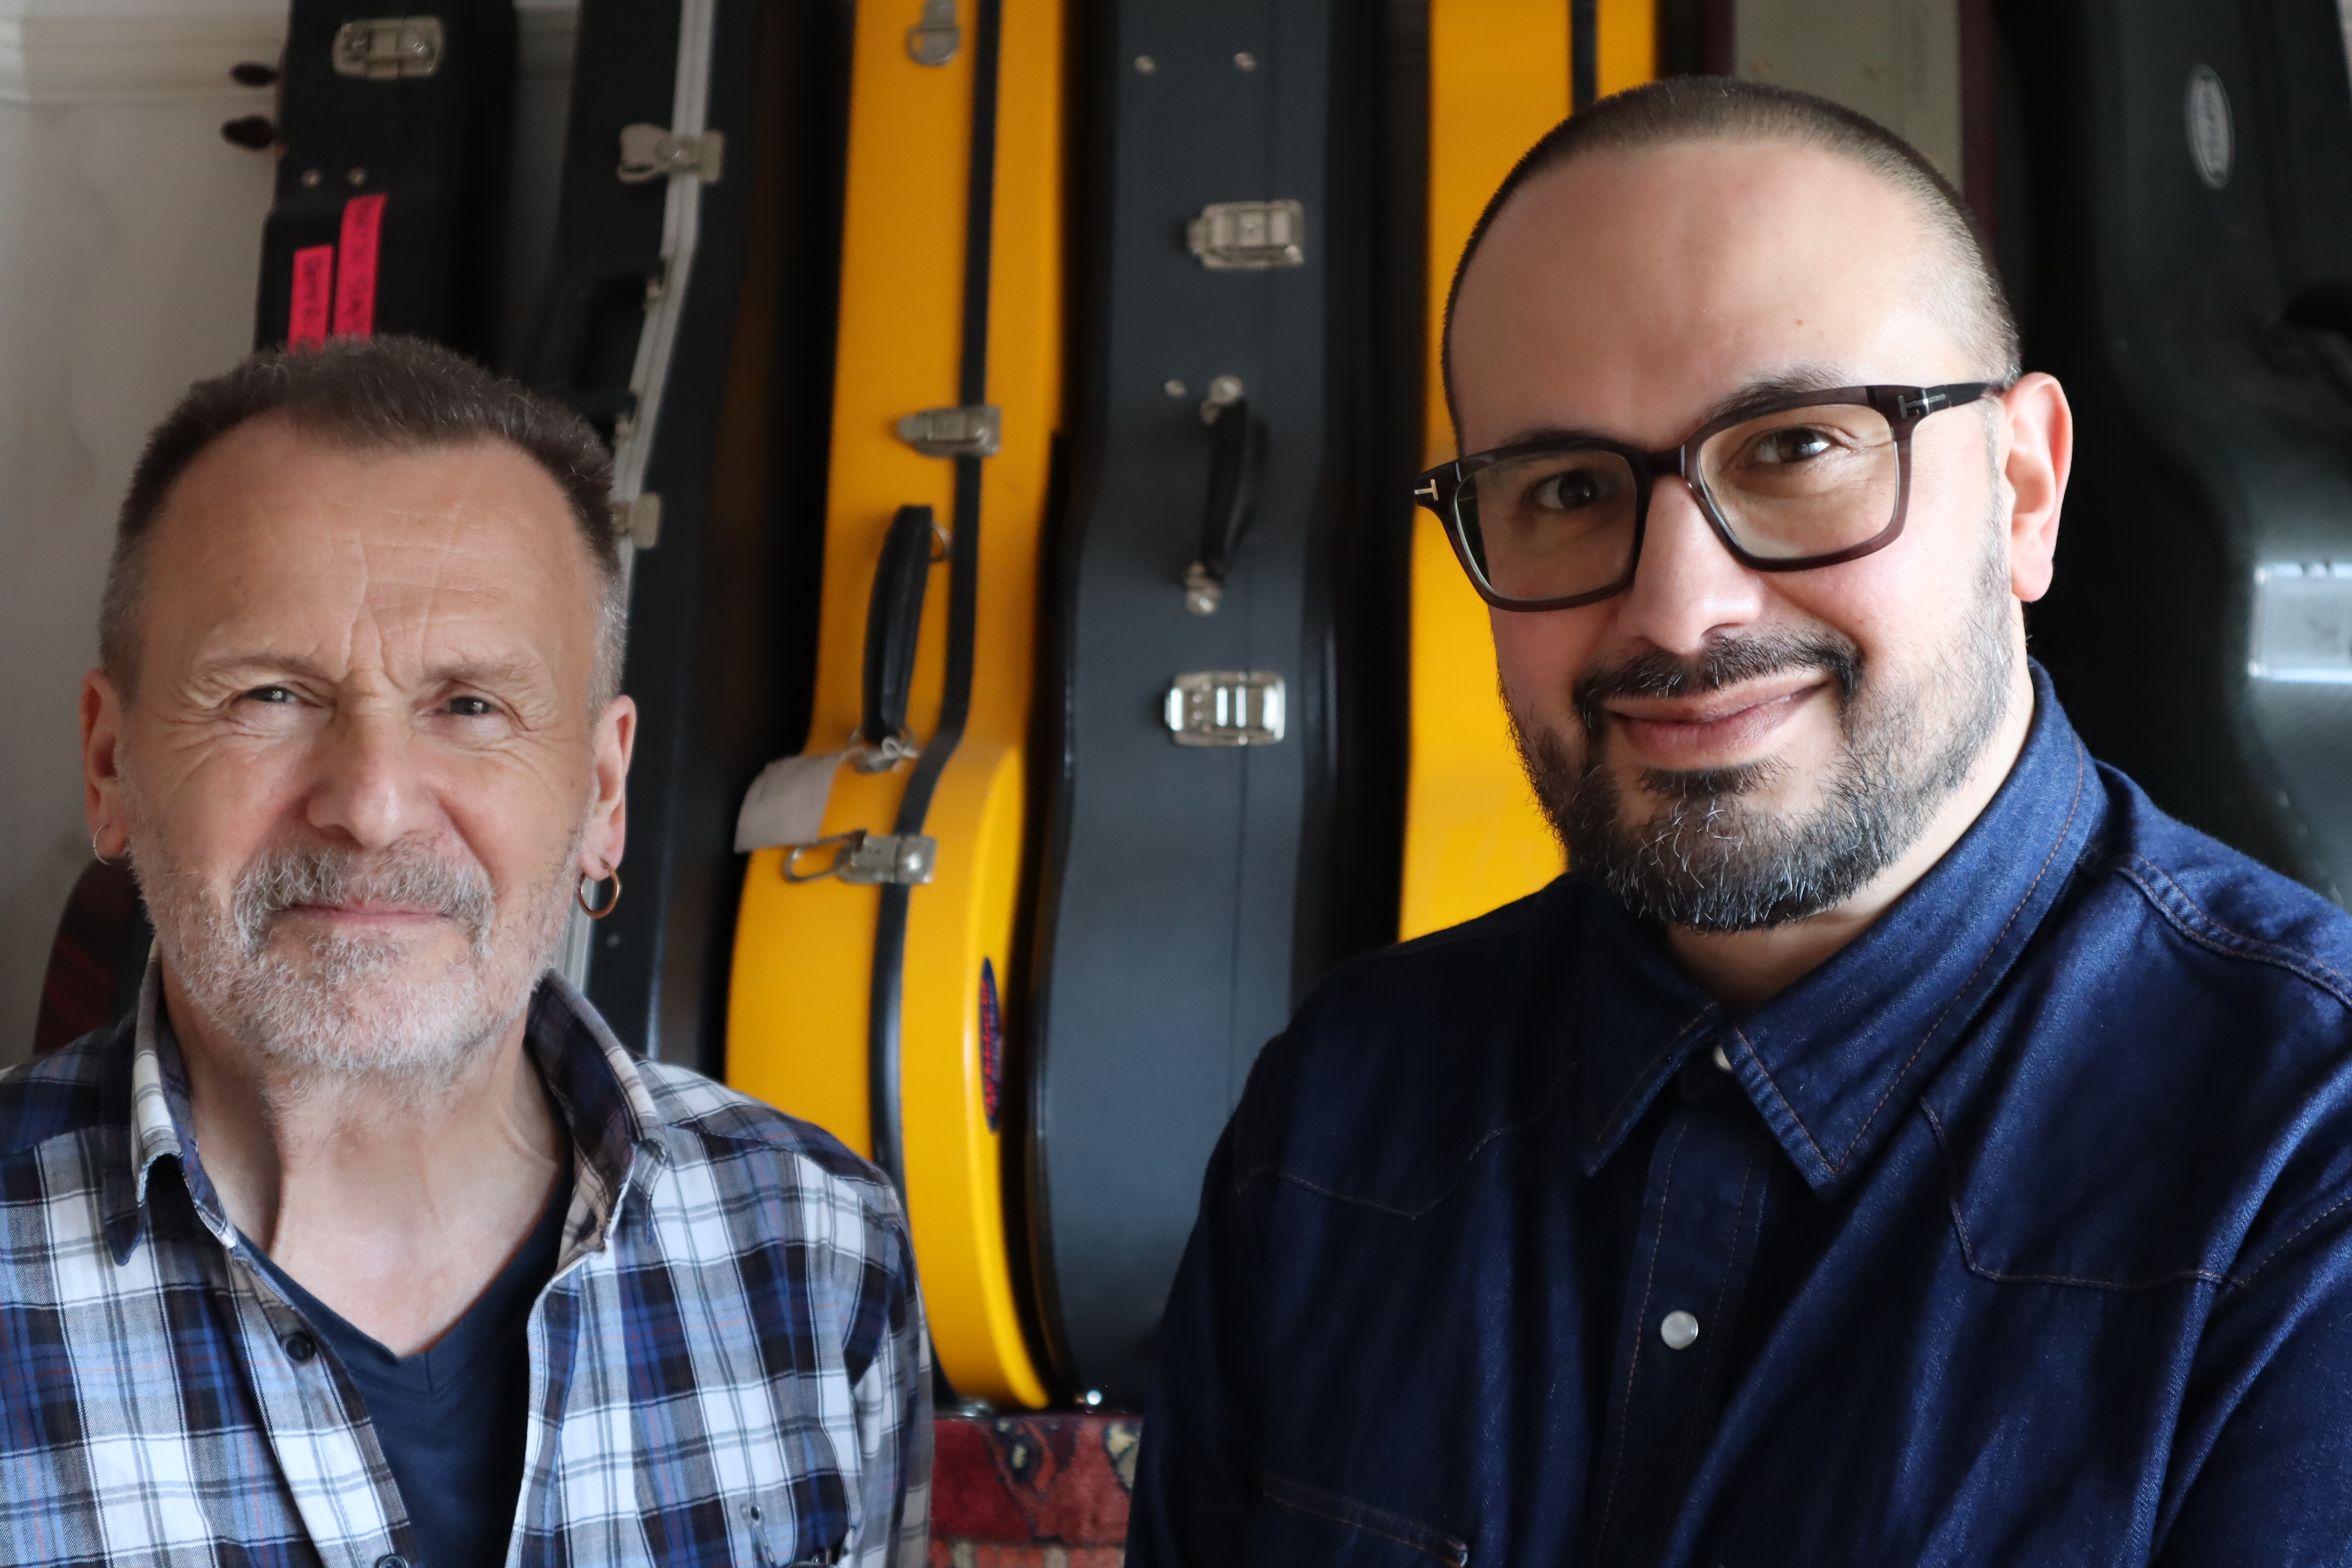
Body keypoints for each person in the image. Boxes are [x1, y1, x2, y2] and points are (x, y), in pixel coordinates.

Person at [1130, 78, 2352, 1565]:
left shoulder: (2309, 1166)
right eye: (1567, 487)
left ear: (2023, 490)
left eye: (1796, 447)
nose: (1679, 607)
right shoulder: (1339, 1101)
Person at [14, 337, 929, 1567]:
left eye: (471, 706)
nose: (373, 804)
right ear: (109, 763)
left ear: (603, 790)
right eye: (271, 695)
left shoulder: (819, 1250)